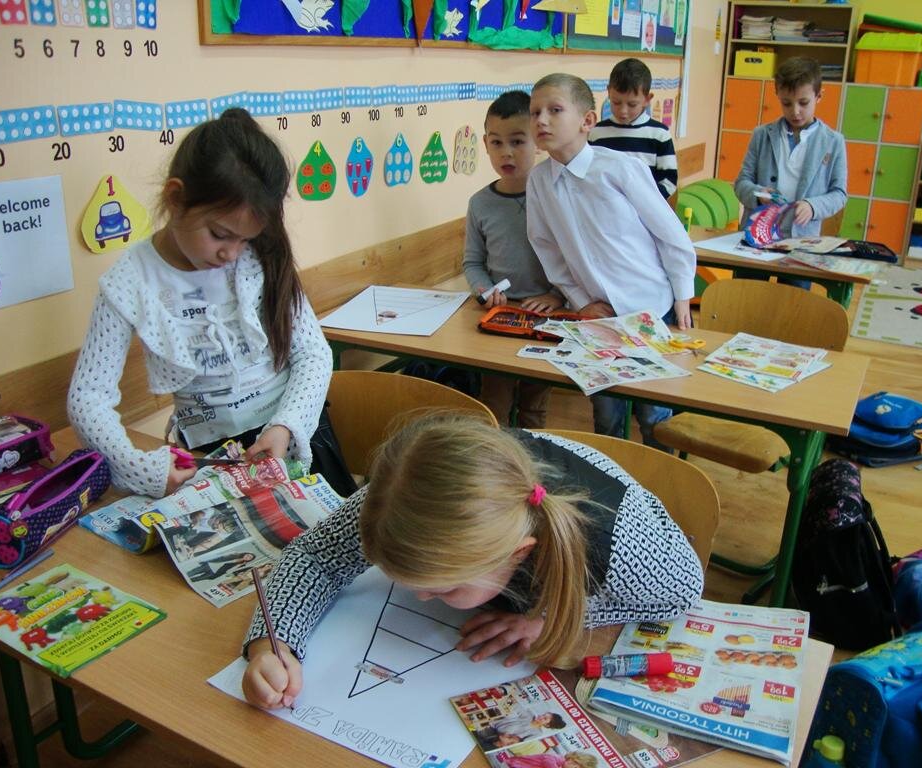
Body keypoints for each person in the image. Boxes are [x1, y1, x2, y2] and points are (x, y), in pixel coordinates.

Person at [240, 412, 703, 710]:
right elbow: (316, 556)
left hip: (616, 536)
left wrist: (549, 617)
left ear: (518, 554)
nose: (422, 597)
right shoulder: (404, 493)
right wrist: (271, 644)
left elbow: (684, 592)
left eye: (444, 588)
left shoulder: (618, 551)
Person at [67, 108, 333, 498]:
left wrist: (286, 425)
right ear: (176, 198)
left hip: (293, 434)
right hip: (208, 457)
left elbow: (313, 353)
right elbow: (88, 396)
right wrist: (140, 466)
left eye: (245, 239)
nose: (231, 253)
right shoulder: (130, 281)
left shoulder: (259, 256)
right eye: (220, 235)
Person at [525, 73, 696, 447]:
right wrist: (580, 301)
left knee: (654, 415)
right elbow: (546, 248)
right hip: (598, 315)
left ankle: (662, 474)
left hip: (652, 308)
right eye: (535, 112)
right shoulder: (538, 180)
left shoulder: (620, 168)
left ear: (587, 121)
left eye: (555, 110)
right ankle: (614, 475)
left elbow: (670, 234)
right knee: (606, 414)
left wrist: (683, 295)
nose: (541, 120)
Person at [464, 90, 562, 428]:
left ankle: (531, 462)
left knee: (534, 408)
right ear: (485, 144)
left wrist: (556, 295)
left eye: (518, 142)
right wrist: (483, 289)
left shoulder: (554, 196)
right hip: (499, 318)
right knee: (494, 404)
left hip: (547, 318)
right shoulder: (480, 203)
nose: (506, 152)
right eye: (496, 142)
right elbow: (473, 262)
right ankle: (498, 461)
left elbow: (575, 259)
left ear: (537, 141)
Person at [734, 57, 847, 289]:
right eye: (786, 103)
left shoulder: (833, 141)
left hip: (801, 243)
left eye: (803, 103)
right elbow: (741, 183)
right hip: (757, 237)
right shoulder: (762, 135)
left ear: (819, 96)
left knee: (792, 304)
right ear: (777, 95)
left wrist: (813, 206)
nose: (795, 112)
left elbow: (839, 194)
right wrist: (758, 195)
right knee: (745, 298)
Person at [589, 58, 678, 200]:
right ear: (609, 92)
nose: (623, 111)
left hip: (645, 208)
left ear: (647, 99)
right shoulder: (596, 133)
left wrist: (646, 200)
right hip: (605, 206)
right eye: (616, 102)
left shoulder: (659, 134)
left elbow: (669, 182)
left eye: (632, 104)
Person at [505, 751, 598, 768]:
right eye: (574, 761)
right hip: (513, 764)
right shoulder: (557, 759)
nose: (572, 765)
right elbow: (548, 760)